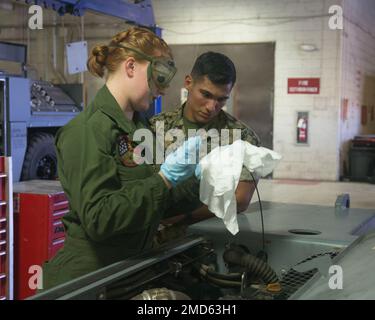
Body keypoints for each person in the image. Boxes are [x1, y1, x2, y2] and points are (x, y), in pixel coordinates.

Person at [41, 27, 200, 290]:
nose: (162, 89)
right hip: (91, 282)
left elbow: (162, 204)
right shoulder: (86, 131)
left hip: (132, 271)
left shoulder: (141, 129)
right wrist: (163, 180)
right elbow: (99, 219)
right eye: (159, 76)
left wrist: (201, 180)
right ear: (130, 67)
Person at [149, 51, 260, 229]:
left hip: (210, 237)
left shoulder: (242, 138)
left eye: (221, 99)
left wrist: (183, 218)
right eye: (206, 95)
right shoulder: (156, 128)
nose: (211, 107)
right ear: (188, 83)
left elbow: (240, 200)